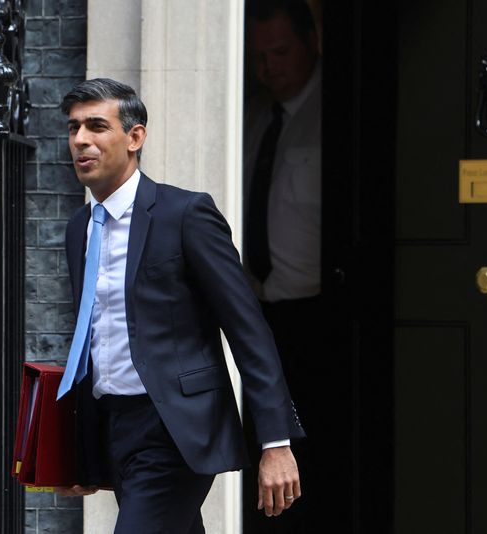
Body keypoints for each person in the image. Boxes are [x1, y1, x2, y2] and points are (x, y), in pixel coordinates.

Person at [54, 77, 305, 534]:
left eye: (96, 126)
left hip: (175, 428)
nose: (80, 141)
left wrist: (276, 442)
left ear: (135, 137)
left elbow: (247, 329)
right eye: (73, 129)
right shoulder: (79, 229)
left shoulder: (185, 214)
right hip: (114, 425)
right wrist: (76, 448)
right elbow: (91, 340)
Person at [243, 2, 348, 533]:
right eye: (259, 55)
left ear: (314, 40)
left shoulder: (339, 109)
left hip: (322, 316)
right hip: (257, 313)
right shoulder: (257, 117)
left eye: (281, 51)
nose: (269, 66)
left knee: (317, 461)